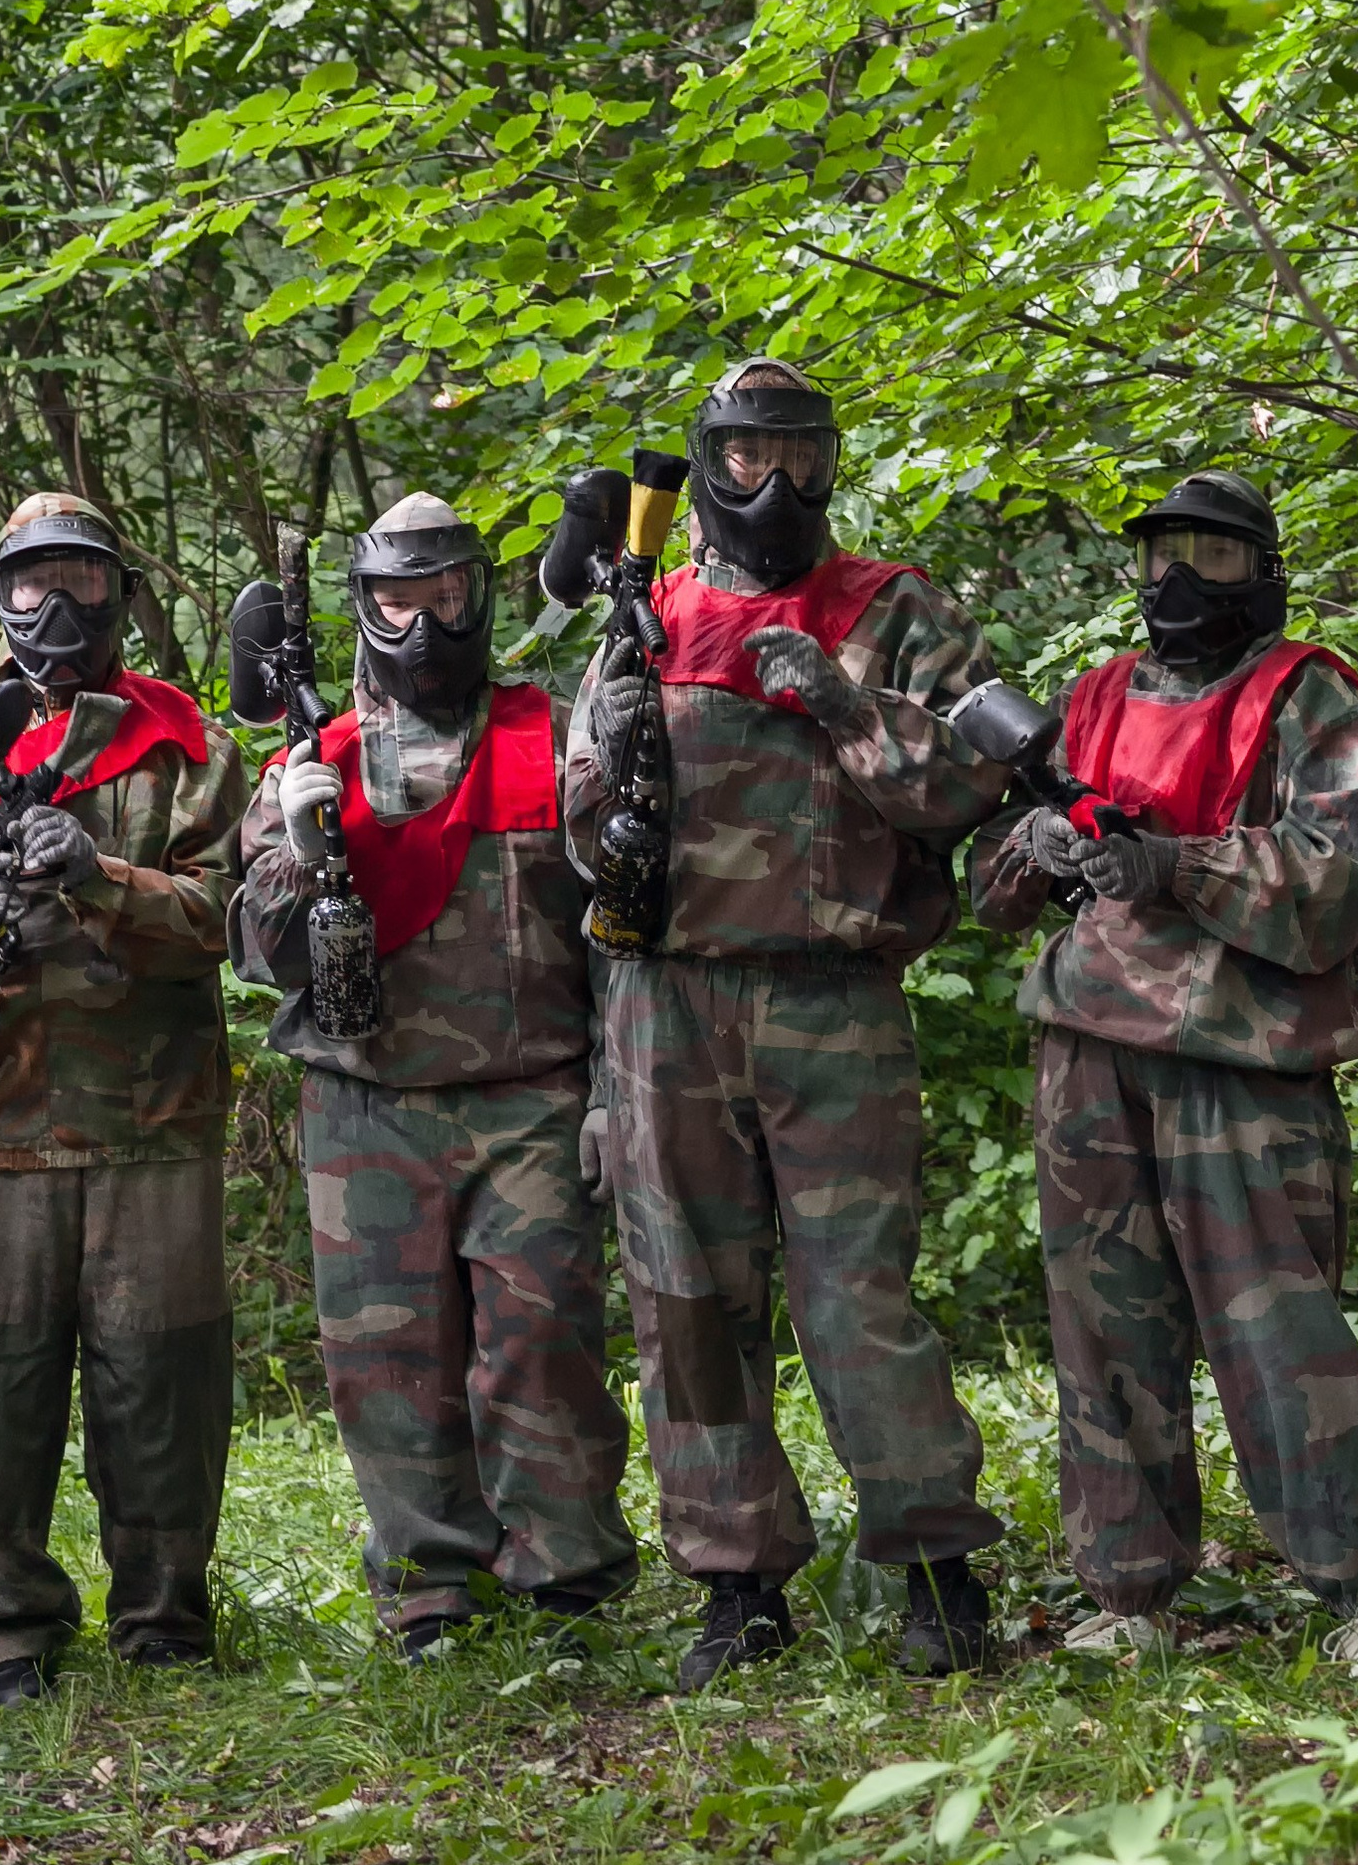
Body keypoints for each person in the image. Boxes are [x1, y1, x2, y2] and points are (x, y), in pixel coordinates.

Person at [563, 360, 1012, 1691]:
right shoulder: (647, 613)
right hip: (668, 998)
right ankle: (736, 1586)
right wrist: (619, 763)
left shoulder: (897, 611)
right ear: (705, 465)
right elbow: (586, 832)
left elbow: (970, 791)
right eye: (750, 458)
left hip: (835, 994)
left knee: (857, 1296)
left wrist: (841, 700)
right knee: (688, 1302)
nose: (779, 485)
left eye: (804, 456)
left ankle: (938, 1570)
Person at [231, 494, 634, 1654]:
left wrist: (614, 1092)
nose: (422, 624)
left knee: (544, 1342)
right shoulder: (317, 759)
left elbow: (620, 926)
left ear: (478, 594)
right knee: (386, 1360)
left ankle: (568, 1576)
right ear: (364, 610)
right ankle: (430, 1586)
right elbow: (260, 957)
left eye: (444, 595)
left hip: (532, 1093)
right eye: (397, 601)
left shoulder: (552, 732)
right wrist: (300, 852)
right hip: (364, 1103)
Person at [970, 471, 1358, 1655]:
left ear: (1266, 574)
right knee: (1102, 1324)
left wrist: (1179, 866)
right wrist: (1034, 842)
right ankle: (1127, 1591)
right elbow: (990, 894)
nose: (1181, 582)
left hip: (1239, 1055)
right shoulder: (1088, 701)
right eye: (1160, 557)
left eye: (1215, 558)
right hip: (1089, 1048)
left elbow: (1332, 882)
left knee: (1279, 1325)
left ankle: (1349, 1582)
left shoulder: (1308, 695)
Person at [0, 494, 247, 1704]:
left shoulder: (185, 748)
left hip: (153, 1128)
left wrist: (106, 878)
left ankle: (164, 1624)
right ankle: (3, 1637)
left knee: (163, 1391)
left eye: (83, 580)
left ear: (120, 597)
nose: (57, 607)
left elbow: (224, 921)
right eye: (32, 583)